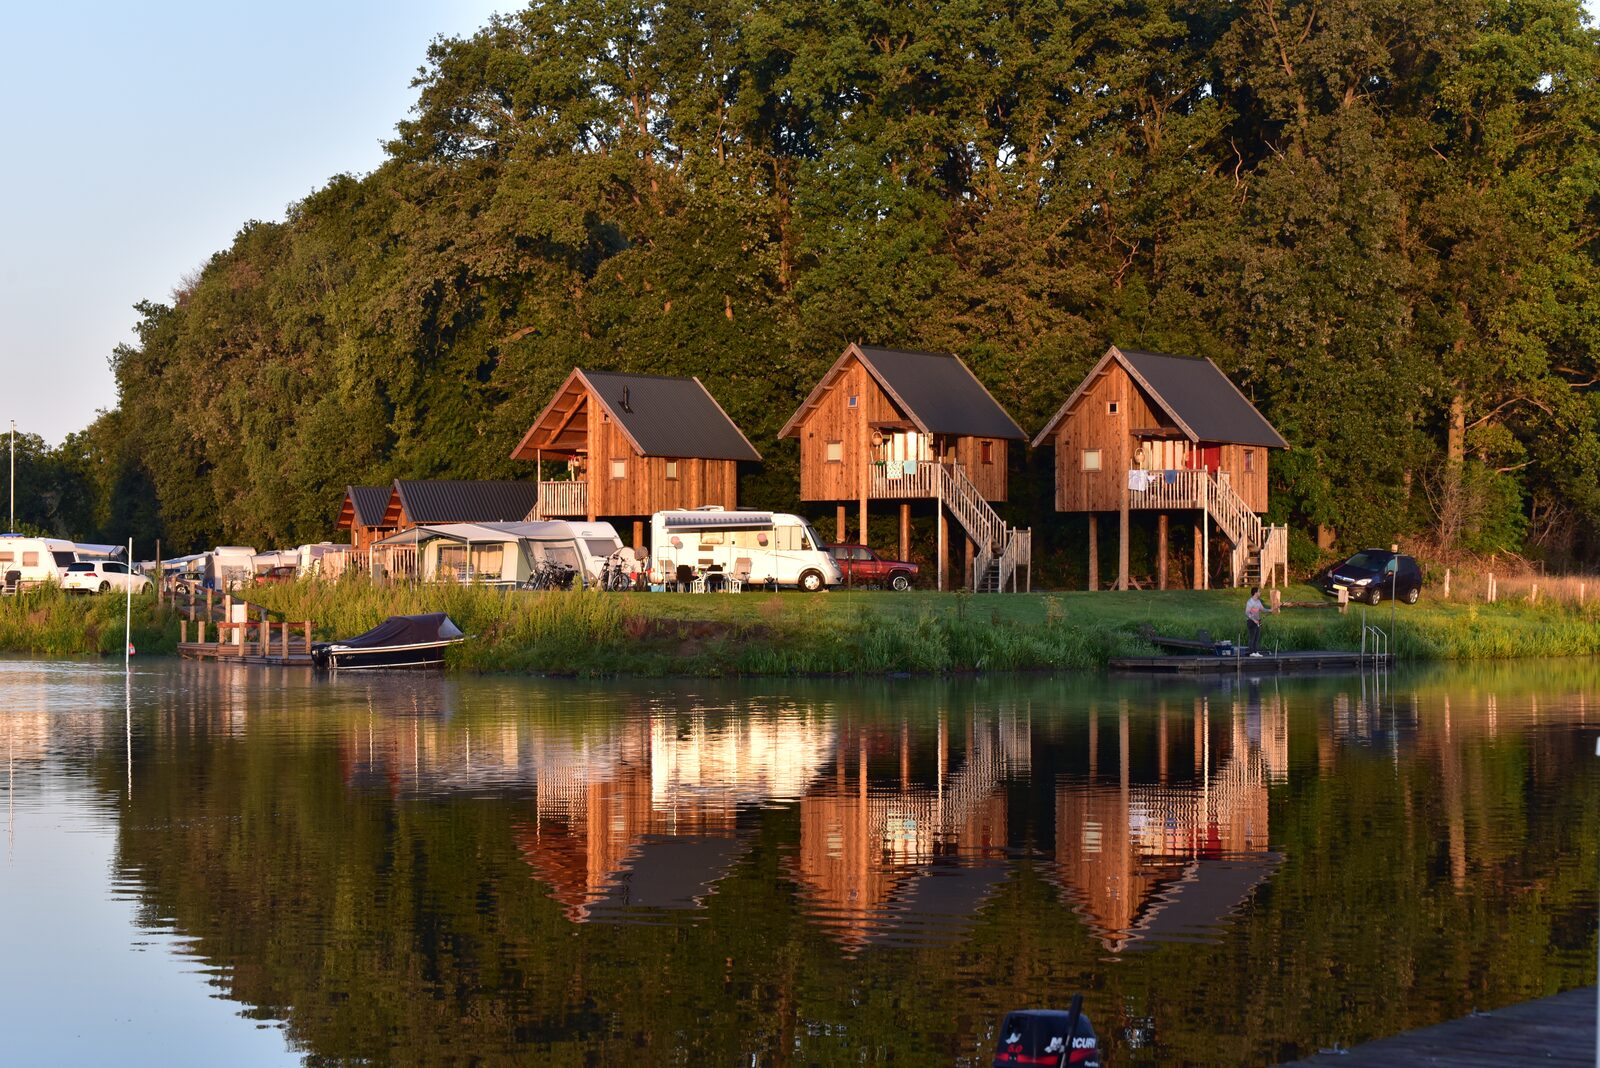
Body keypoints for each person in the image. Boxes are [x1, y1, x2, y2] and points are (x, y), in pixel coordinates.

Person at [1245, 585, 1264, 656]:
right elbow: (1247, 612)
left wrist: (1271, 610)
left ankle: (1256, 652)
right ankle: (1251, 652)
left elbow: (1263, 609)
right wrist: (1253, 620)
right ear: (1255, 593)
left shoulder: (1258, 601)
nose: (1260, 593)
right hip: (1251, 622)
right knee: (1252, 638)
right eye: (1259, 591)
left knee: (1257, 638)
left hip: (1258, 621)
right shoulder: (1250, 602)